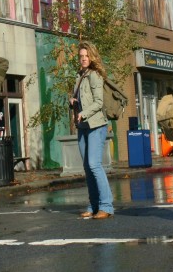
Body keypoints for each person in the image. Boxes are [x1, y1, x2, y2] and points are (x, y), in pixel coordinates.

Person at [69, 41, 114, 220]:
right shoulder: (79, 76)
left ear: (92, 57)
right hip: (83, 126)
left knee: (94, 164)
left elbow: (98, 102)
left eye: (87, 56)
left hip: (96, 125)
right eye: (81, 56)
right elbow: (82, 98)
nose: (84, 59)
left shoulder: (94, 75)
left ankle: (106, 206)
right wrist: (73, 101)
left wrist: (84, 113)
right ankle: (93, 205)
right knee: (88, 167)